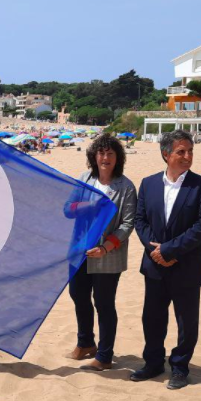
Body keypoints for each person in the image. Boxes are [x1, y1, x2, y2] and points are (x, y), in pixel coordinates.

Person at [132, 129, 201, 389]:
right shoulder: (148, 184)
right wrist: (155, 252)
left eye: (190, 151)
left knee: (186, 322)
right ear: (165, 154)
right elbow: (140, 221)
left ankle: (179, 368)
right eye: (181, 151)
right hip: (154, 265)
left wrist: (169, 251)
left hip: (186, 265)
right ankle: (153, 363)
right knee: (152, 318)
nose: (187, 156)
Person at [65, 133, 138, 371]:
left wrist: (106, 247)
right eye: (101, 153)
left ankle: (105, 355)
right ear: (94, 156)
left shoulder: (126, 187)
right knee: (78, 296)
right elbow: (68, 209)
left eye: (110, 154)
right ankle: (85, 342)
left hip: (108, 255)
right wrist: (90, 204)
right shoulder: (84, 179)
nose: (105, 158)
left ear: (118, 158)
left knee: (104, 303)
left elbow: (128, 224)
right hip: (80, 251)